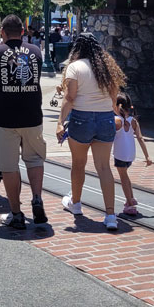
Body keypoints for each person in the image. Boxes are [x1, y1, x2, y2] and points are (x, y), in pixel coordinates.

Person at [0, 15, 47, 229]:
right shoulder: (35, 52)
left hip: (5, 118)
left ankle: (16, 213)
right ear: (23, 32)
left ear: (3, 33)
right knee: (34, 160)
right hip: (33, 116)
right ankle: (37, 198)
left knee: (9, 166)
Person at [56, 32, 125, 232]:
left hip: (81, 118)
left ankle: (75, 203)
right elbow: (114, 101)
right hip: (105, 119)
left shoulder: (74, 67)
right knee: (104, 167)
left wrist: (60, 122)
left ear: (77, 48)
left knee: (78, 164)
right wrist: (120, 118)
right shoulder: (107, 69)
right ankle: (111, 215)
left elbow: (70, 98)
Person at [113, 91, 151, 216]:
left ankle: (130, 203)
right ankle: (130, 198)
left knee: (123, 177)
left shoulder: (116, 120)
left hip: (120, 153)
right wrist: (147, 156)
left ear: (117, 106)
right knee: (125, 175)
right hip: (130, 154)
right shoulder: (133, 120)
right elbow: (140, 138)